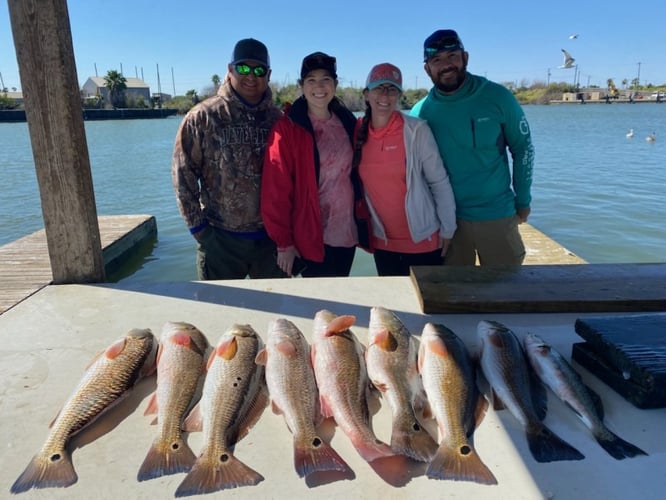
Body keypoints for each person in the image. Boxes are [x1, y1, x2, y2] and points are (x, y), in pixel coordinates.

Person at [411, 29, 535, 266]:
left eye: (452, 56)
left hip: (496, 214)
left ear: (465, 58)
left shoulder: (498, 97)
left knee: (507, 293)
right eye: (437, 60)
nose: (446, 65)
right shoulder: (420, 113)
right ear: (427, 69)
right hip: (446, 222)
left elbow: (523, 149)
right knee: (454, 296)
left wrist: (523, 199)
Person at [172, 38, 286, 280]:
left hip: (271, 242)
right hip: (219, 239)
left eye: (259, 70)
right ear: (230, 69)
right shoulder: (202, 117)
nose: (251, 76)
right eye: (243, 68)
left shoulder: (279, 120)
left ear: (269, 74)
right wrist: (200, 231)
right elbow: (183, 177)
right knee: (217, 313)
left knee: (278, 313)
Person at [352, 63, 457, 276]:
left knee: (425, 307)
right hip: (382, 241)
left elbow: (439, 181)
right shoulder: (355, 131)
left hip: (424, 240)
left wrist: (448, 229)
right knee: (393, 307)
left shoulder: (417, 130)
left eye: (392, 89)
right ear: (366, 94)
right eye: (378, 87)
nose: (385, 95)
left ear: (399, 95)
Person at [261, 51, 358, 277]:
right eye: (311, 80)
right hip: (311, 236)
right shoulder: (286, 129)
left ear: (335, 84)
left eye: (326, 79)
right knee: (321, 308)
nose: (319, 86)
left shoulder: (347, 122)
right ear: (302, 86)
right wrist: (284, 243)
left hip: (346, 232)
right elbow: (275, 191)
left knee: (343, 301)